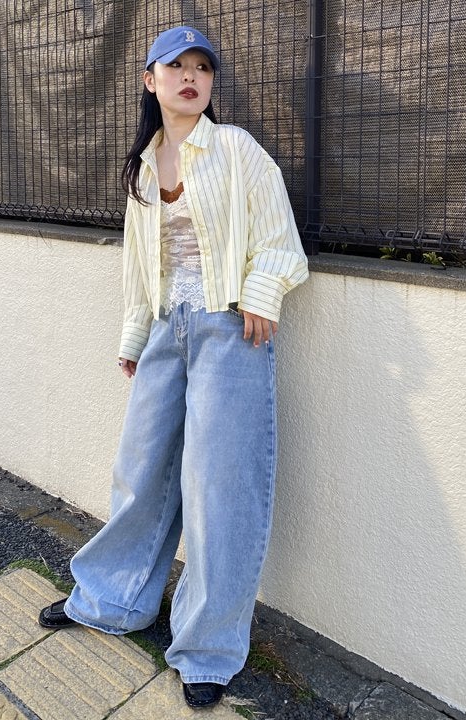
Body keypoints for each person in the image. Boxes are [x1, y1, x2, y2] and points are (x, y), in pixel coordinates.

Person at [39, 26, 309, 709]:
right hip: (166, 329)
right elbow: (140, 265)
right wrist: (134, 336)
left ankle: (208, 649)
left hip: (228, 329)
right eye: (176, 66)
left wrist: (262, 294)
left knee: (220, 487)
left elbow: (278, 236)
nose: (191, 77)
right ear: (149, 80)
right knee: (142, 471)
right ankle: (110, 599)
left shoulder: (237, 148)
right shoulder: (141, 166)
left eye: (202, 68)